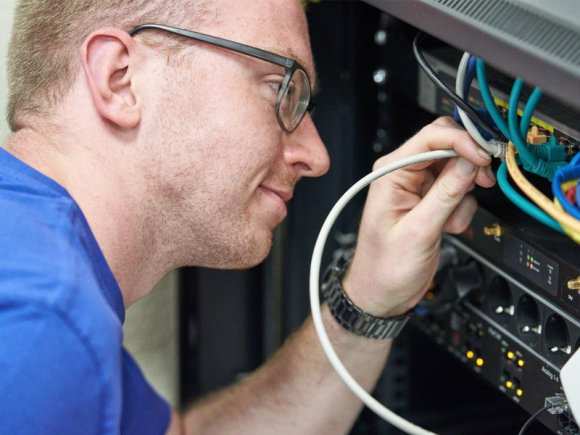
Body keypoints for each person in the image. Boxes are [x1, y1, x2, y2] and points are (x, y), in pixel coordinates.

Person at [0, 0, 496, 433]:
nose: (317, 156)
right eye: (280, 90)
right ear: (120, 79)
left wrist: (367, 302)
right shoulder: (40, 324)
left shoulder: (37, 273)